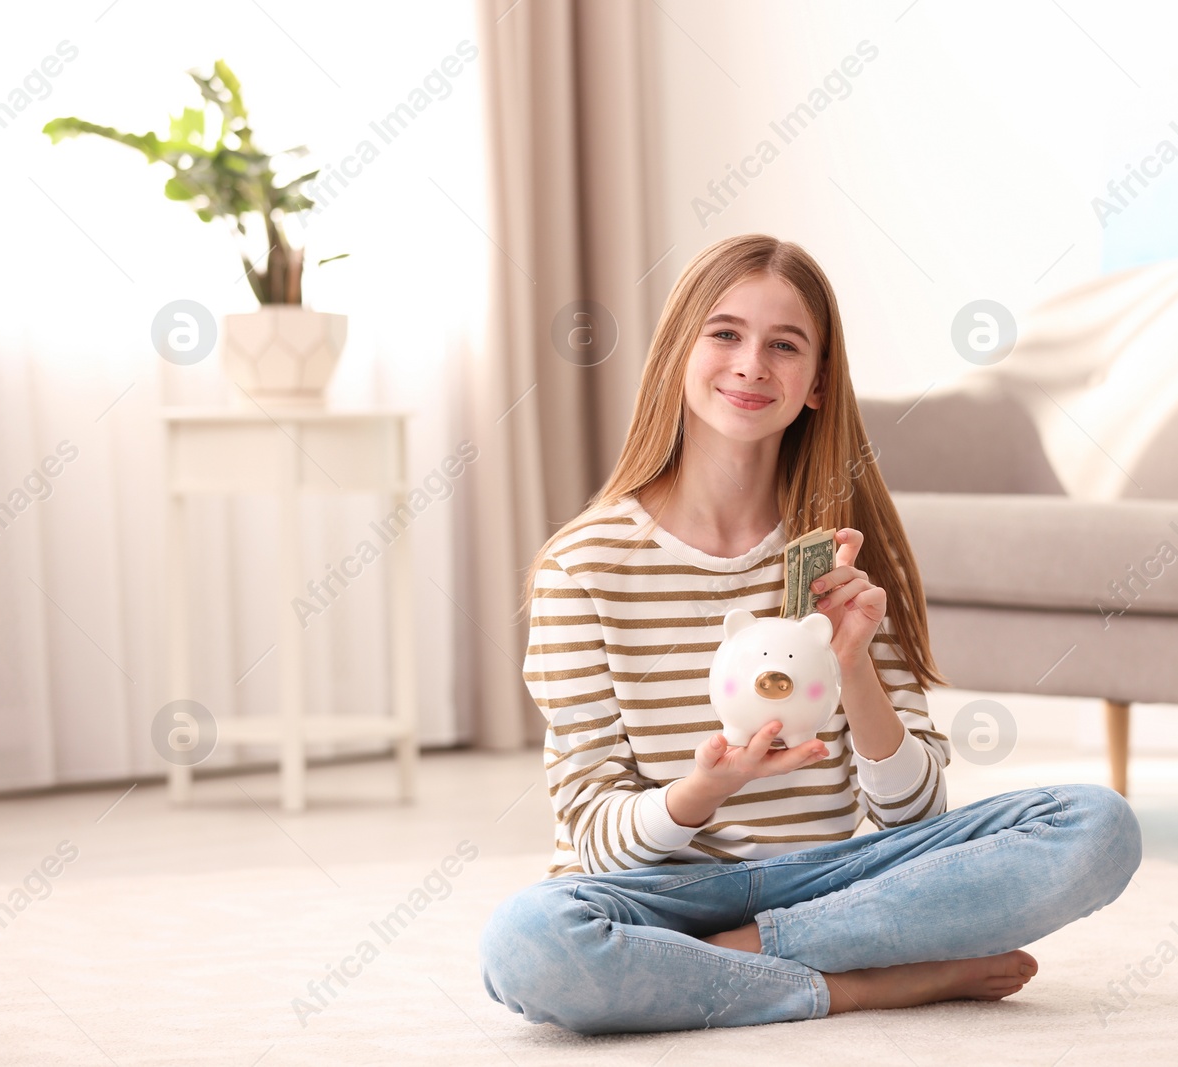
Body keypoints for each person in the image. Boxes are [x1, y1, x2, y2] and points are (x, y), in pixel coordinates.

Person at [478, 233, 1142, 1035]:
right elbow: (591, 835)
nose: (752, 363)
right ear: (677, 355)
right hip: (660, 896)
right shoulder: (583, 566)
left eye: (783, 345)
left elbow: (914, 819)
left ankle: (741, 960)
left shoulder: (844, 553)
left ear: (818, 383)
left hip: (834, 882)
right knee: (527, 943)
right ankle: (869, 982)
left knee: (1099, 827)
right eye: (725, 333)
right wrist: (705, 791)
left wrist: (853, 661)